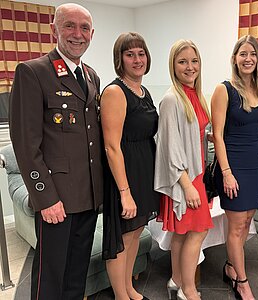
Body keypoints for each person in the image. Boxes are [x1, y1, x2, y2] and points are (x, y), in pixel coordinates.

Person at [9, 3, 103, 299]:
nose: (78, 34)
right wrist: (45, 197)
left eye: (84, 28)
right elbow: (26, 144)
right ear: (54, 30)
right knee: (50, 278)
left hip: (87, 196)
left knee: (77, 273)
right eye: (70, 26)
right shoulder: (33, 72)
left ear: (92, 34)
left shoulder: (91, 76)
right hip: (57, 199)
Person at [100, 32, 159, 300]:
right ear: (119, 59)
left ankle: (128, 288)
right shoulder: (115, 91)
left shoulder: (143, 91)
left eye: (141, 53)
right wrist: (124, 192)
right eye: (130, 54)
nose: (137, 59)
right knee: (122, 236)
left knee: (135, 232)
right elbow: (111, 146)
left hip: (144, 167)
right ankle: (120, 295)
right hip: (124, 173)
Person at [154, 39, 213, 300]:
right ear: (173, 66)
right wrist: (187, 185)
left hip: (196, 173)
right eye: (182, 62)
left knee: (181, 233)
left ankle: (176, 280)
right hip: (186, 178)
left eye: (194, 61)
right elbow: (170, 148)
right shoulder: (171, 99)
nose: (190, 67)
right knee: (199, 231)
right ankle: (189, 290)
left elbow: (191, 134)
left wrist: (205, 137)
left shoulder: (196, 95)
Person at [210, 35, 258, 300]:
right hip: (233, 164)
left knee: (246, 222)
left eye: (253, 54)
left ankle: (231, 267)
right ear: (235, 58)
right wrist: (226, 172)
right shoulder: (224, 90)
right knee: (235, 226)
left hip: (256, 163)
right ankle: (242, 283)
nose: (248, 59)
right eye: (243, 54)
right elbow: (218, 135)